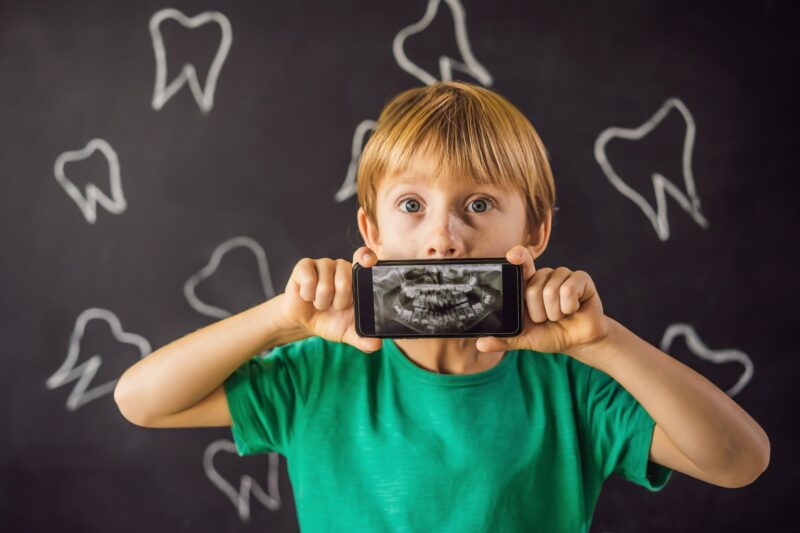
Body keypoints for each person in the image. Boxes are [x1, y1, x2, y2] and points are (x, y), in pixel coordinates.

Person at [114, 81, 770, 532]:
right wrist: (280, 318)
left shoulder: (575, 384)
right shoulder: (318, 373)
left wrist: (604, 342)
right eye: (412, 205)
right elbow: (141, 399)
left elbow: (741, 460)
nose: (443, 236)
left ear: (534, 233)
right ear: (371, 232)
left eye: (478, 205)